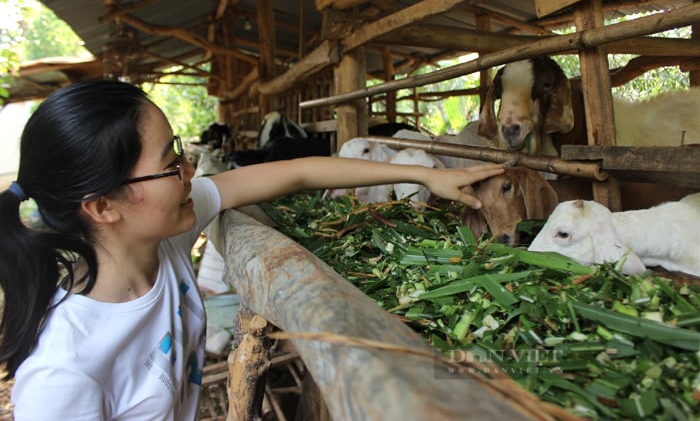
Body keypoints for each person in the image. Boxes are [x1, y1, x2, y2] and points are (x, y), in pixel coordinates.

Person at [0, 79, 503, 419]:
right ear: (104, 206)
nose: (189, 170)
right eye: (170, 162)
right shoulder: (63, 374)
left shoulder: (162, 238)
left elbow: (298, 171)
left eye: (181, 152)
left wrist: (426, 174)